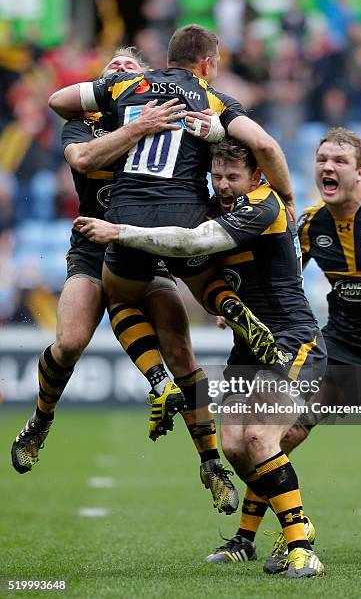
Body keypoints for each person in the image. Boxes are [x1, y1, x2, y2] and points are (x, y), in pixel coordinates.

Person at [184, 127, 361, 571]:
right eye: (323, 159)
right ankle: (246, 538)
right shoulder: (309, 224)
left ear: (360, 171)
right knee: (273, 436)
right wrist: (235, 303)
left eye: (339, 161)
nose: (328, 166)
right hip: (340, 351)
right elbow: (277, 277)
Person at [73, 138, 327, 579]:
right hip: (249, 346)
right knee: (232, 446)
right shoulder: (216, 206)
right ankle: (266, 535)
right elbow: (203, 276)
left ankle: (302, 544)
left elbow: (194, 243)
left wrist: (121, 231)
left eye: (233, 177)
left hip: (289, 338)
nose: (224, 185)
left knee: (259, 440)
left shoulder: (264, 204)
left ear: (256, 177)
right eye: (218, 176)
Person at [11, 48, 239, 516]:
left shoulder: (169, 116)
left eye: (129, 65)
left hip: (145, 243)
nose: (120, 68)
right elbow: (82, 158)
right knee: (70, 341)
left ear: (146, 78)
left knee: (181, 351)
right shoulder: (87, 120)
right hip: (94, 247)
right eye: (113, 65)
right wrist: (137, 127)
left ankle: (211, 464)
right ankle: (40, 420)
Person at [47, 24, 293, 436]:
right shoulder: (212, 98)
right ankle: (227, 306)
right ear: (208, 63)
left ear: (159, 64)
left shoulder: (129, 87)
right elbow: (265, 146)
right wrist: (286, 194)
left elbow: (57, 99)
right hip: (187, 212)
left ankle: (161, 385)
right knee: (202, 286)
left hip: (128, 215)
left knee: (119, 298)